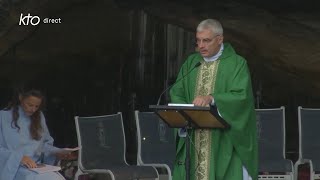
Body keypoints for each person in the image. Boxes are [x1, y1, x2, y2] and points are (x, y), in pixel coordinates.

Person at [170, 19, 258, 180]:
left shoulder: (237, 64)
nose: (201, 45)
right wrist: (189, 112)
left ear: (220, 39)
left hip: (224, 141)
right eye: (198, 40)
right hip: (194, 138)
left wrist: (212, 98)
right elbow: (177, 91)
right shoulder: (191, 63)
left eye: (206, 40)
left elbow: (241, 97)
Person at [0, 87, 70, 180]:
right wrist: (19, 158)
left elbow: (44, 145)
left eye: (36, 106)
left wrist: (57, 152)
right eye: (30, 104)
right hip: (13, 169)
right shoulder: (3, 116)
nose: (33, 109)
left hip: (36, 167)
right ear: (21, 98)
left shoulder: (39, 116)